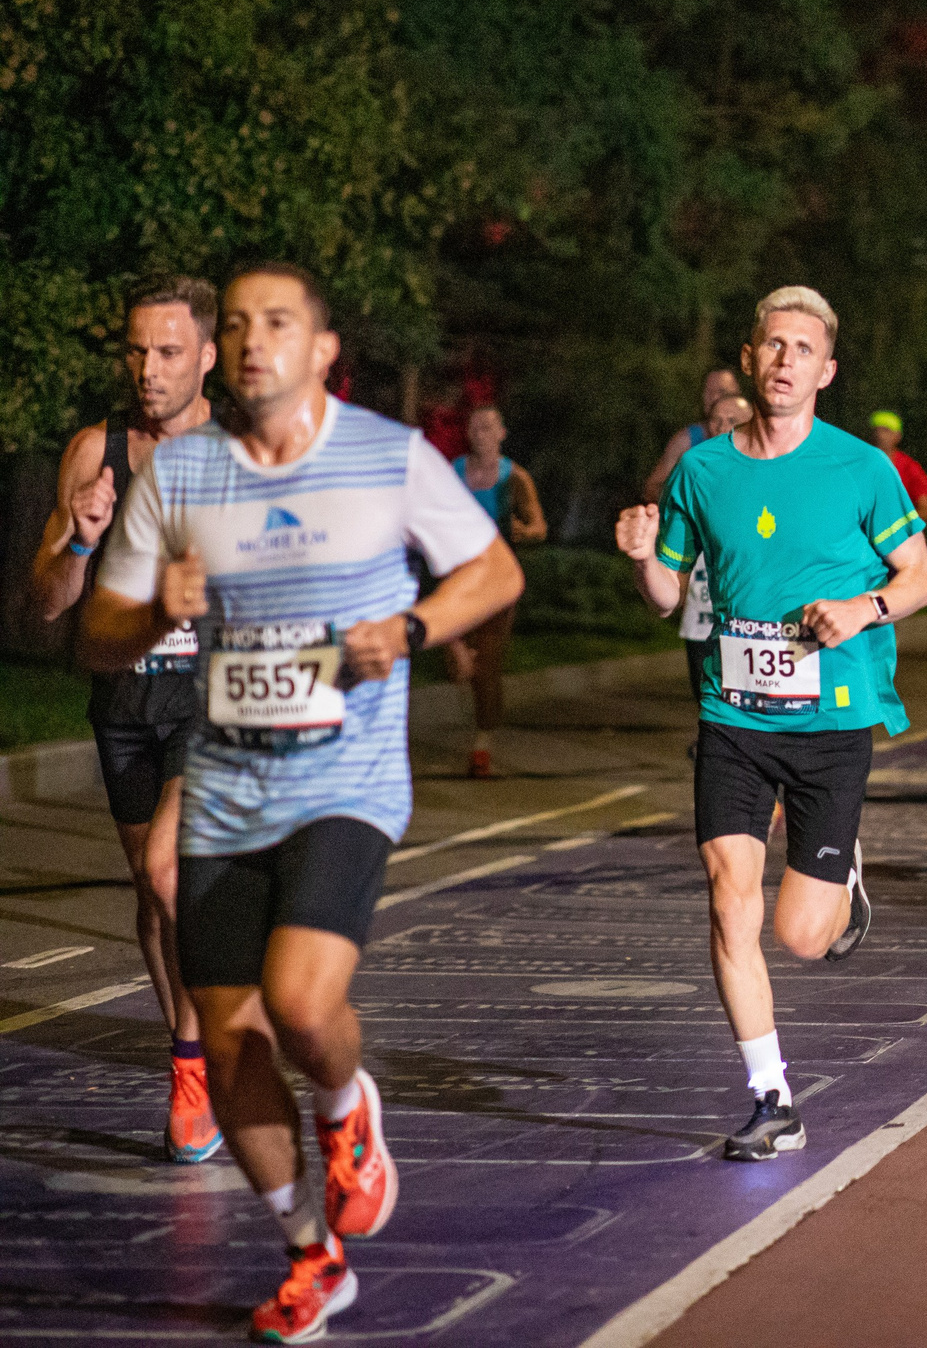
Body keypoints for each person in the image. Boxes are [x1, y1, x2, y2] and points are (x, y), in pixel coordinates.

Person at [80, 263, 524, 1342]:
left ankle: (345, 1108)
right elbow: (95, 633)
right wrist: (148, 618)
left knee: (300, 1005)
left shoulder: (385, 456)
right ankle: (308, 1255)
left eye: (276, 323)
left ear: (321, 349)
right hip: (229, 787)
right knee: (228, 1041)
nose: (251, 342)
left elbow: (496, 570)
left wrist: (411, 631)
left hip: (345, 780)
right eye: (234, 325)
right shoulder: (181, 476)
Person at [616, 285, 927, 1164]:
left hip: (830, 721)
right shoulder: (703, 470)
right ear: (750, 359)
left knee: (801, 934)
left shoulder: (861, 468)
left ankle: (843, 882)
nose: (787, 359)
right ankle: (772, 1098)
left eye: (805, 348)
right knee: (729, 901)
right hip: (732, 718)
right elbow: (666, 600)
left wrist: (864, 605)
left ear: (826, 371)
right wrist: (646, 558)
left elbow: (922, 578)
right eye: (774, 345)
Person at [29, 277, 222, 1166]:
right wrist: (77, 536)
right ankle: (191, 1055)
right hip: (125, 704)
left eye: (170, 352)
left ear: (207, 357)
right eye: (139, 351)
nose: (150, 370)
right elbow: (45, 603)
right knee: (154, 896)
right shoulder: (95, 451)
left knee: (167, 871)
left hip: (214, 702)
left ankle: (197, 1060)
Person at [447, 404, 548, 778]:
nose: (482, 435)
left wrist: (523, 532)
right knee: (458, 663)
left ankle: (481, 746)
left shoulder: (515, 478)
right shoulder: (453, 473)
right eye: (475, 428)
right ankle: (474, 721)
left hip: (498, 583)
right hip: (456, 578)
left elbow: (539, 525)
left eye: (489, 428)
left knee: (487, 664)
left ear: (502, 433)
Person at [677, 392, 756, 713]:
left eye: (733, 421)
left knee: (767, 703)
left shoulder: (777, 472)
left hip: (762, 615)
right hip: (705, 611)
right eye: (716, 421)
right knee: (708, 697)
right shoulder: (695, 472)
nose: (723, 427)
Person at [644, 367, 745, 504]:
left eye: (722, 391)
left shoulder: (761, 438)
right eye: (709, 392)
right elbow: (652, 488)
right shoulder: (687, 440)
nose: (715, 398)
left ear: (738, 394)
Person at [869, 410, 927, 526]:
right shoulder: (859, 464)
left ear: (897, 436)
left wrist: (895, 521)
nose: (879, 435)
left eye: (886, 430)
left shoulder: (910, 468)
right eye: (876, 430)